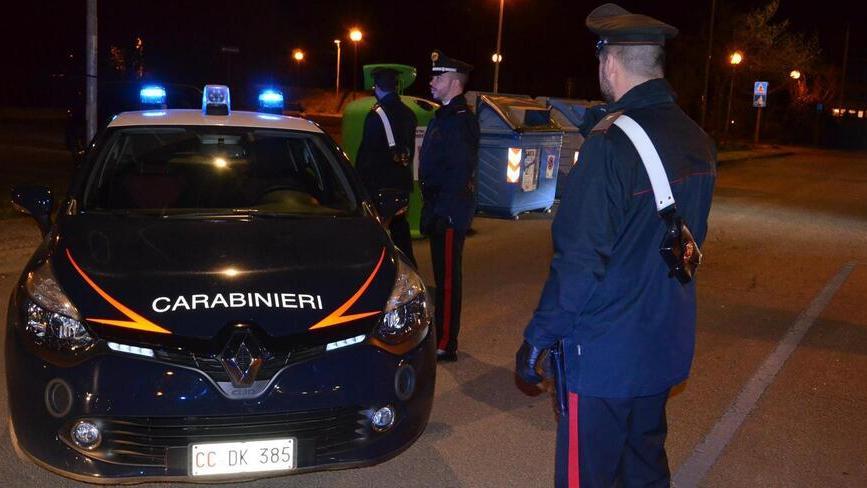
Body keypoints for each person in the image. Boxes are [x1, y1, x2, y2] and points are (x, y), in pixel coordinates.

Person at [515, 3, 716, 487]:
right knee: (644, 468)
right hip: (661, 343)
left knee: (590, 476)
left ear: (609, 61)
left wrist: (538, 339)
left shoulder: (610, 144)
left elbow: (580, 263)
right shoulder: (696, 138)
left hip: (604, 359)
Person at [418, 50, 480, 362]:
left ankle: (445, 342)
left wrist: (445, 212)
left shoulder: (459, 121)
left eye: (437, 76)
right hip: (438, 208)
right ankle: (441, 334)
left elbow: (459, 171)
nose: (431, 81)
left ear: (454, 82)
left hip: (448, 211)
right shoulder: (444, 116)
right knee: (441, 279)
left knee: (447, 283)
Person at [355, 67, 418, 267]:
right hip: (401, 182)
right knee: (400, 230)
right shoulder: (409, 114)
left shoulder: (376, 114)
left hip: (379, 184)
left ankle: (377, 271)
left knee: (376, 232)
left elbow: (368, 153)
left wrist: (358, 182)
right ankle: (409, 267)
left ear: (376, 87)